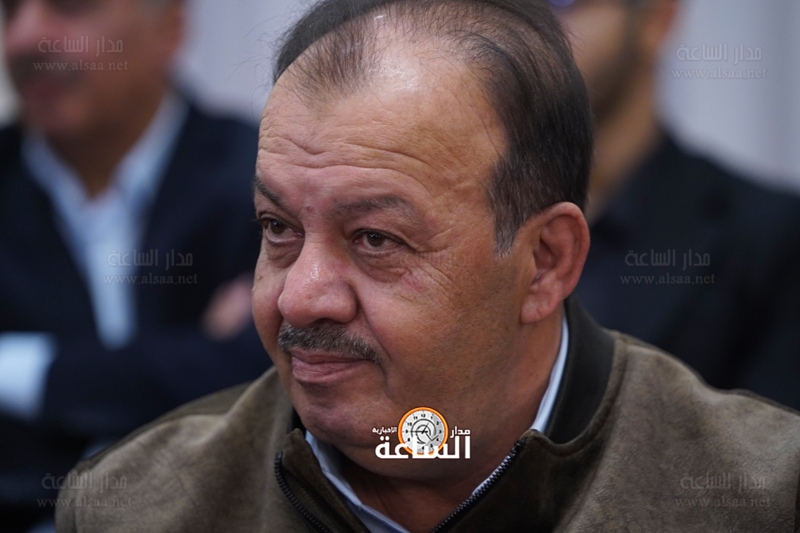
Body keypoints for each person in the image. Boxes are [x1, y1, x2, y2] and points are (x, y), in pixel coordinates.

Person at [57, 0, 800, 531]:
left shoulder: (758, 498)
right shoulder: (142, 507)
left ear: (545, 262)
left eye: (375, 239)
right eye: (278, 229)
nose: (300, 298)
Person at [0, 0, 267, 529]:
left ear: (168, 28)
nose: (25, 38)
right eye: (10, 11)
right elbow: (221, 384)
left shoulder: (262, 177)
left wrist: (24, 371)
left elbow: (264, 373)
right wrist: (189, 359)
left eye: (69, 7)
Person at [552, 0, 800, 409]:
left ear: (657, 19)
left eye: (561, 3)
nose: (529, 25)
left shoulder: (772, 239)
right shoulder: (473, 221)